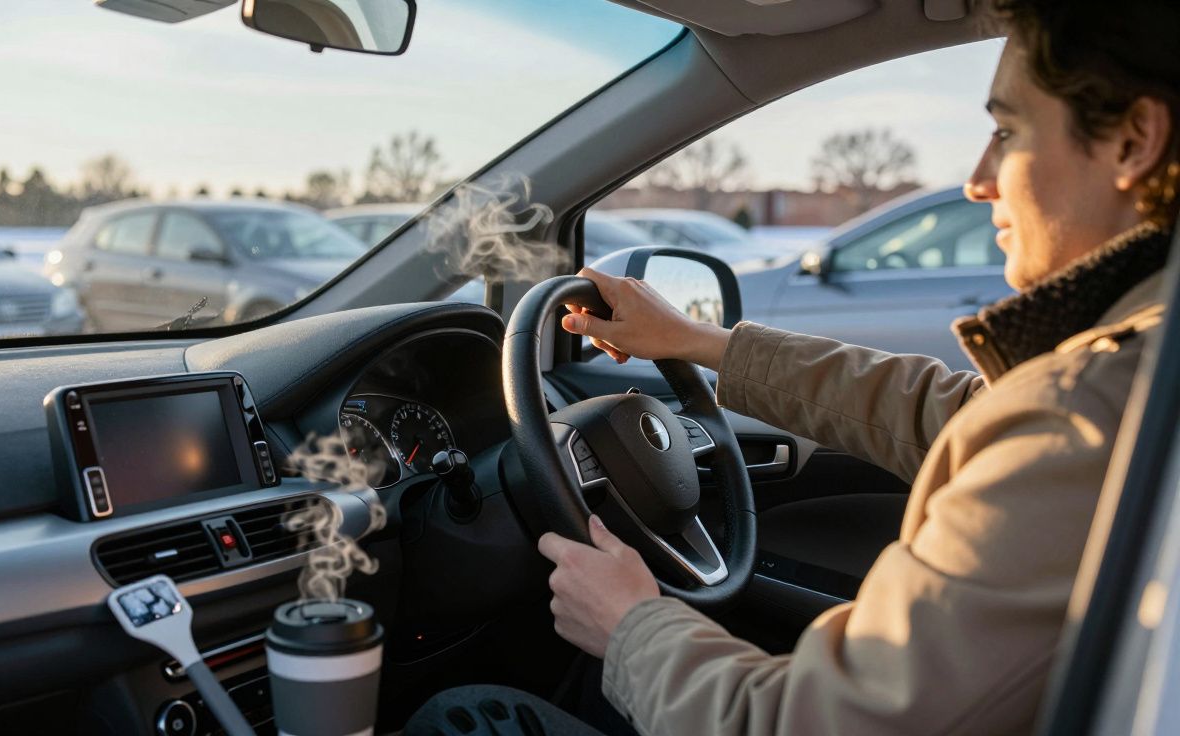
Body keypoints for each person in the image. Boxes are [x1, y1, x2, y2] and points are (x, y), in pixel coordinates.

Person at [408, 1, 1178, 733]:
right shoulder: (1133, 378)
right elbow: (943, 410)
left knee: (463, 716)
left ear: (1133, 140)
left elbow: (819, 725)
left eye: (1006, 133)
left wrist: (630, 626)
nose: (978, 179)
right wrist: (697, 343)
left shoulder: (1085, 416)